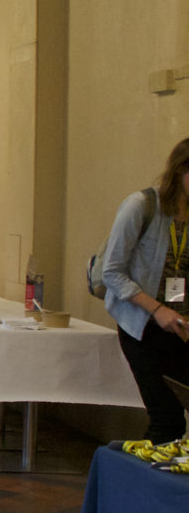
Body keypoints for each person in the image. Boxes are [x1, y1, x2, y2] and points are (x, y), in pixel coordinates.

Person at [101, 137, 189, 443]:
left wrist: (175, 311)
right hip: (141, 326)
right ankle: (140, 486)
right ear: (181, 170)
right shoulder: (142, 206)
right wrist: (157, 309)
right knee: (167, 419)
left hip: (178, 327)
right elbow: (111, 271)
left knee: (177, 417)